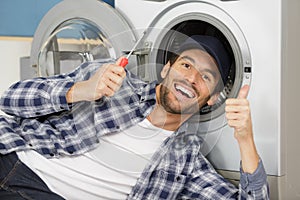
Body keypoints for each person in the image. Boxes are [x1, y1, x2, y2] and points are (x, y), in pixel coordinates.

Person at [0, 35, 269, 199]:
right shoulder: (113, 79)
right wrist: (80, 90)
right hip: (12, 153)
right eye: (186, 64)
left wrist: (246, 140)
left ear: (211, 98)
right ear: (166, 69)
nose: (191, 78)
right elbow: (10, 100)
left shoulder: (186, 164)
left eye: (206, 76)